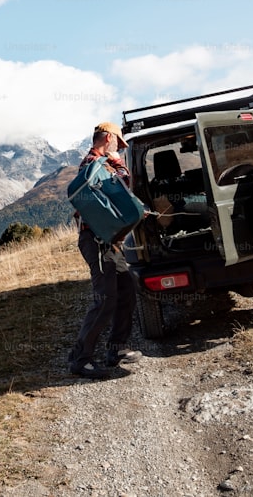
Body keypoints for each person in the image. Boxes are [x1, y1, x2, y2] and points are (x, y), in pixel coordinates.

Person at [68, 121, 142, 379]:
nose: (119, 148)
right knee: (105, 299)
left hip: (106, 241)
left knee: (126, 290)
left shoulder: (94, 163)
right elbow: (123, 185)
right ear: (108, 137)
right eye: (118, 143)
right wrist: (118, 162)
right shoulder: (94, 163)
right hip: (97, 241)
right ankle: (81, 359)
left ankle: (117, 349)